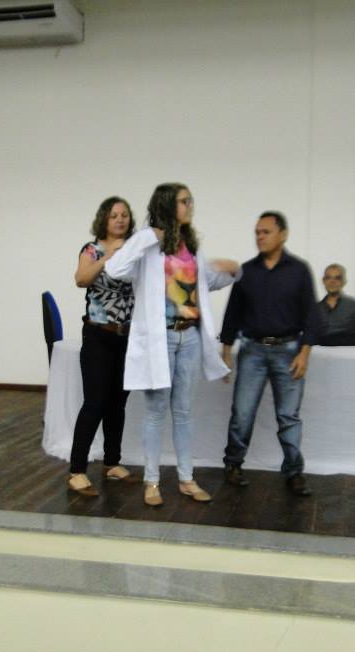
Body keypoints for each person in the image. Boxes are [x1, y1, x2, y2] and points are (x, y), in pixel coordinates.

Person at [105, 183, 240, 507]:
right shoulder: (147, 243)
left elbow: (204, 282)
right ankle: (152, 481)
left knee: (183, 412)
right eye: (183, 201)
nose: (190, 205)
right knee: (155, 412)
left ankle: (186, 478)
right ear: (167, 205)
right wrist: (149, 236)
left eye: (190, 200)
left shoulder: (190, 245)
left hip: (190, 336)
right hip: (160, 338)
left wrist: (233, 272)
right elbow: (115, 268)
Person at [220, 211, 320, 497]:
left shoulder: (299, 270)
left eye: (266, 232)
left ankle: (293, 472)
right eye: (257, 232)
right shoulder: (247, 271)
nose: (260, 237)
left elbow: (311, 316)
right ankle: (233, 464)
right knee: (242, 413)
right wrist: (226, 352)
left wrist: (304, 354)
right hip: (251, 351)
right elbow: (232, 313)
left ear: (283, 234)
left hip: (289, 352)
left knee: (289, 416)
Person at [66, 197, 136, 496]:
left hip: (127, 337)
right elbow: (81, 279)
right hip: (98, 335)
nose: (120, 220)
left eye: (124, 215)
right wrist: (108, 257)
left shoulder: (135, 251)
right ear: (104, 220)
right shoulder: (92, 250)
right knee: (94, 402)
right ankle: (77, 471)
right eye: (114, 215)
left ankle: (112, 463)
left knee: (117, 404)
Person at [317, 263, 355, 346]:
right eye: (328, 278)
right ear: (323, 281)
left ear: (343, 282)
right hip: (321, 352)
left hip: (348, 351)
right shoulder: (314, 309)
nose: (332, 282)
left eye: (337, 278)